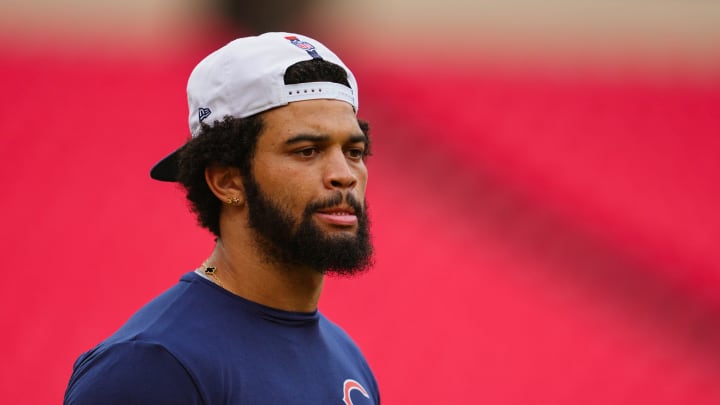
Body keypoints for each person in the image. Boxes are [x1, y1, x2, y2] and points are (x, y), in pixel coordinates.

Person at [64, 32, 379, 404]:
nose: (344, 174)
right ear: (228, 181)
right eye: (308, 151)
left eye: (354, 151)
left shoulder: (347, 357)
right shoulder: (153, 365)